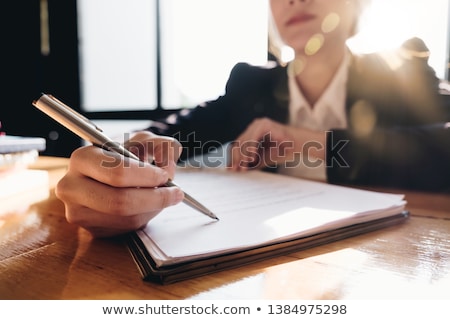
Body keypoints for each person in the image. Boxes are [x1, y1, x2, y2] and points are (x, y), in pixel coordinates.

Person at [56, 0, 450, 237]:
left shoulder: (400, 72)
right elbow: (174, 132)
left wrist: (310, 142)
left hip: (386, 247)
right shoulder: (250, 83)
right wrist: (126, 155)